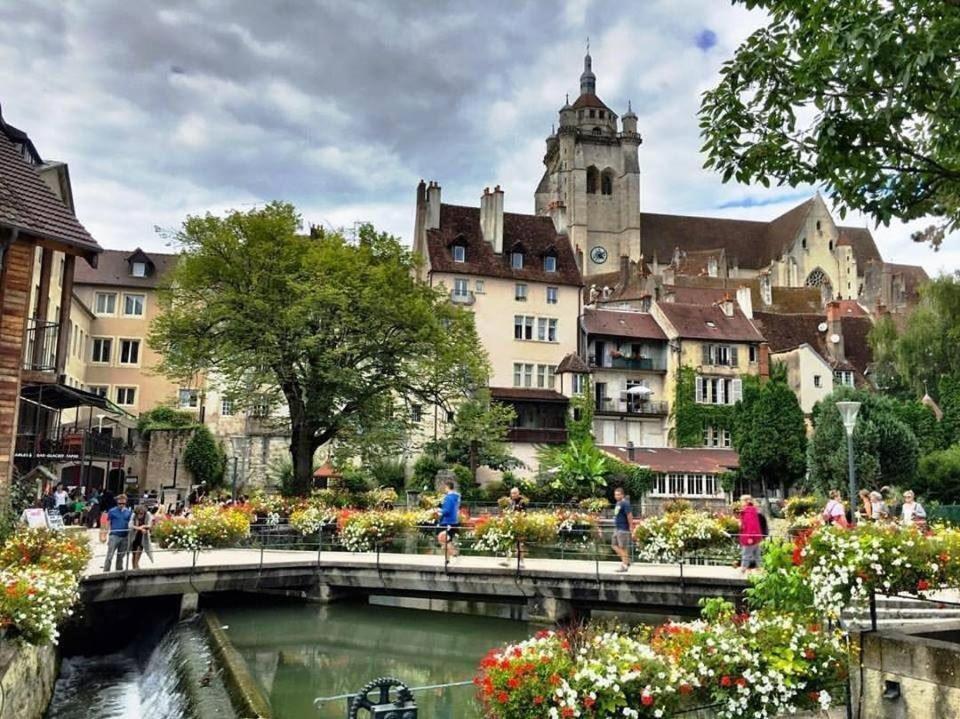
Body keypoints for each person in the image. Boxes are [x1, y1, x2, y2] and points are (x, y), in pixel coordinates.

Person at [103, 494, 132, 572]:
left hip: (124, 536)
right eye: (120, 504)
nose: (121, 505)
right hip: (114, 535)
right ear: (117, 503)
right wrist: (105, 534)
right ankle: (106, 571)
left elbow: (130, 523)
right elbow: (108, 523)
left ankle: (119, 571)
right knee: (110, 555)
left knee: (121, 556)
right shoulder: (112, 511)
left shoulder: (128, 512)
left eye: (123, 504)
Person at [499, 487, 527, 568]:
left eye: (515, 493)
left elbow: (524, 513)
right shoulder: (509, 501)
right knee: (507, 543)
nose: (513, 495)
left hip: (519, 525)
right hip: (510, 524)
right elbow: (505, 511)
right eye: (512, 493)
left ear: (518, 493)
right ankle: (508, 560)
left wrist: (517, 515)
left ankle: (521, 562)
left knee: (519, 544)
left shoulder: (522, 502)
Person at [738, 495, 764, 571]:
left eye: (741, 501)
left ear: (745, 502)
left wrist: (750, 537)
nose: (740, 503)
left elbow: (750, 525)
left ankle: (743, 570)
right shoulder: (752, 510)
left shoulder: (748, 512)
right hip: (756, 536)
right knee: (757, 554)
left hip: (749, 537)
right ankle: (759, 569)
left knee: (746, 554)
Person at [611, 487, 633, 573]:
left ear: (622, 495)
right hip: (617, 528)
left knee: (623, 547)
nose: (616, 496)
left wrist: (631, 526)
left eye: (618, 494)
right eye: (615, 494)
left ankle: (624, 565)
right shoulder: (618, 503)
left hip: (623, 529)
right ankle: (627, 561)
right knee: (613, 545)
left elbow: (629, 515)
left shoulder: (625, 503)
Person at [437, 480, 461, 557]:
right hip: (454, 521)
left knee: (442, 539)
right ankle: (449, 556)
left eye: (445, 488)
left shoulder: (448, 498)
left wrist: (439, 511)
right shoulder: (456, 497)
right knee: (447, 540)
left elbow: (447, 510)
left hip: (447, 521)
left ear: (447, 487)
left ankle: (453, 554)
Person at [128, 504, 154, 569]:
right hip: (134, 537)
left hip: (142, 537)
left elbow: (150, 525)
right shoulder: (134, 515)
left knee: (138, 554)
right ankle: (134, 568)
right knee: (134, 555)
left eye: (141, 514)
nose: (139, 515)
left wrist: (143, 526)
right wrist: (139, 528)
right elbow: (130, 525)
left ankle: (136, 568)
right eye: (138, 514)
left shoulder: (147, 514)